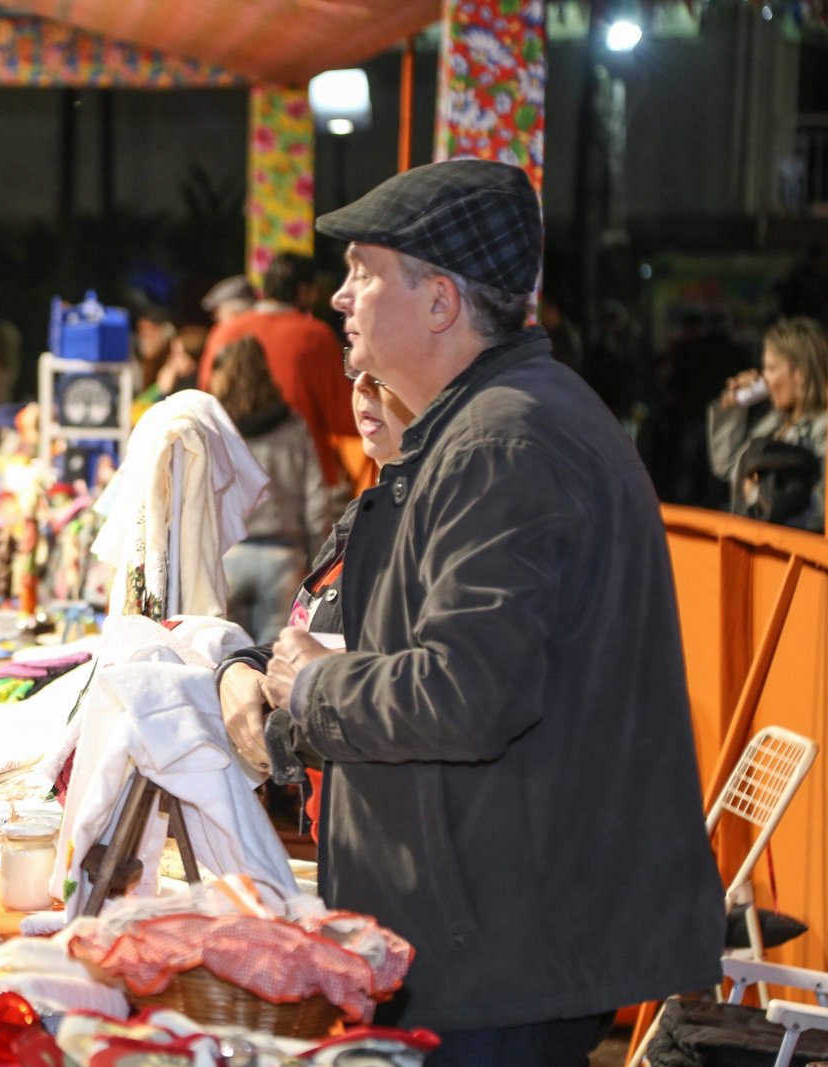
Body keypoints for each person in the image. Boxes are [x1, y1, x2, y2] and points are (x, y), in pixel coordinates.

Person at [222, 160, 723, 1063]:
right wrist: (259, 679)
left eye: (364, 272)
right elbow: (399, 639)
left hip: (497, 954)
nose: (339, 296)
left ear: (441, 301)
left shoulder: (503, 441)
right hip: (488, 933)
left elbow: (466, 691)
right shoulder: (479, 427)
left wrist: (310, 687)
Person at [219, 362, 415, 837]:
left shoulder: (429, 526)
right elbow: (302, 645)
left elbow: (413, 695)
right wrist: (237, 670)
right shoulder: (366, 511)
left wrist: (286, 711)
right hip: (279, 550)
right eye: (357, 371)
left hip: (382, 831)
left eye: (383, 374)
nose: (363, 389)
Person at [195, 252, 355, 493]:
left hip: (233, 470)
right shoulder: (316, 336)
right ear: (305, 290)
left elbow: (204, 402)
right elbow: (343, 416)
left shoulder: (224, 332)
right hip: (300, 472)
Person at [209, 335, 330, 645]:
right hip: (283, 559)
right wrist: (318, 563)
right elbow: (316, 500)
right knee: (275, 658)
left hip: (228, 557)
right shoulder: (293, 425)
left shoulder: (217, 429)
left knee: (226, 658)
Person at [707, 316, 828, 530]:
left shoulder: (822, 428)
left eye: (772, 369)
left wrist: (760, 496)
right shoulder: (772, 423)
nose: (766, 380)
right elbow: (726, 466)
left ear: (800, 374)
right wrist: (735, 406)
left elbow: (819, 511)